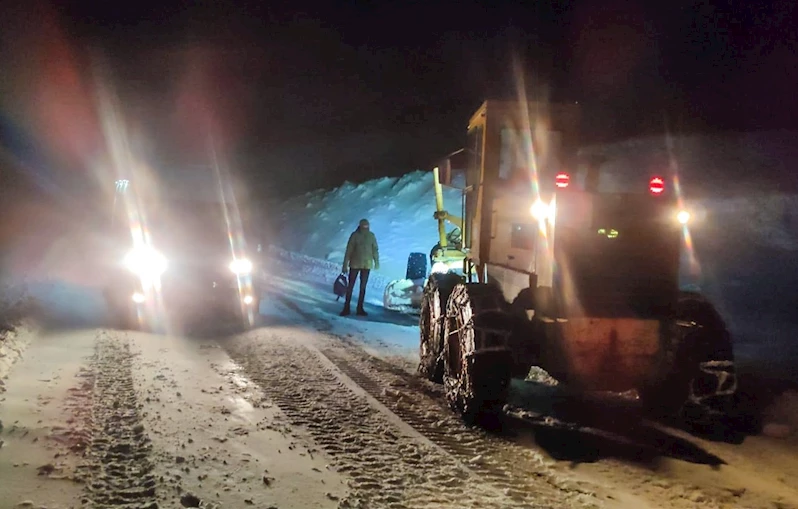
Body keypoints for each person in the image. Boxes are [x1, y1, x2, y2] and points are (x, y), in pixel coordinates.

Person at [340, 218, 379, 316]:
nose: (365, 227)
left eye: (367, 226)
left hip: (366, 265)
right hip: (355, 264)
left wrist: (376, 261)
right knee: (350, 286)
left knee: (363, 287)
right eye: (364, 226)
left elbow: (375, 250)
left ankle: (360, 308)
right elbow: (348, 250)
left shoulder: (371, 236)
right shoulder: (355, 235)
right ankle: (346, 307)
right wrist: (345, 264)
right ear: (360, 226)